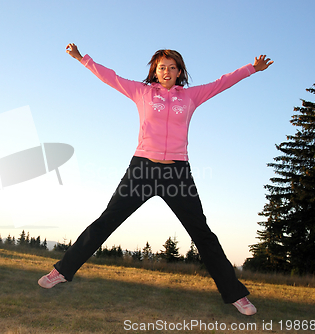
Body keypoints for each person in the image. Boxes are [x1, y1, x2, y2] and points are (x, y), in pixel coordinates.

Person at [38, 43, 273, 316]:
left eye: (172, 67)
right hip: (142, 169)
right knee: (106, 221)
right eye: (162, 67)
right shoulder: (142, 92)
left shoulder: (191, 96)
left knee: (203, 234)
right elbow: (110, 76)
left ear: (180, 71)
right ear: (155, 70)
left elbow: (222, 83)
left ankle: (236, 295)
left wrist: (251, 69)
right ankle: (62, 271)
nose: (167, 71)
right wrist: (82, 58)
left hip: (177, 172)